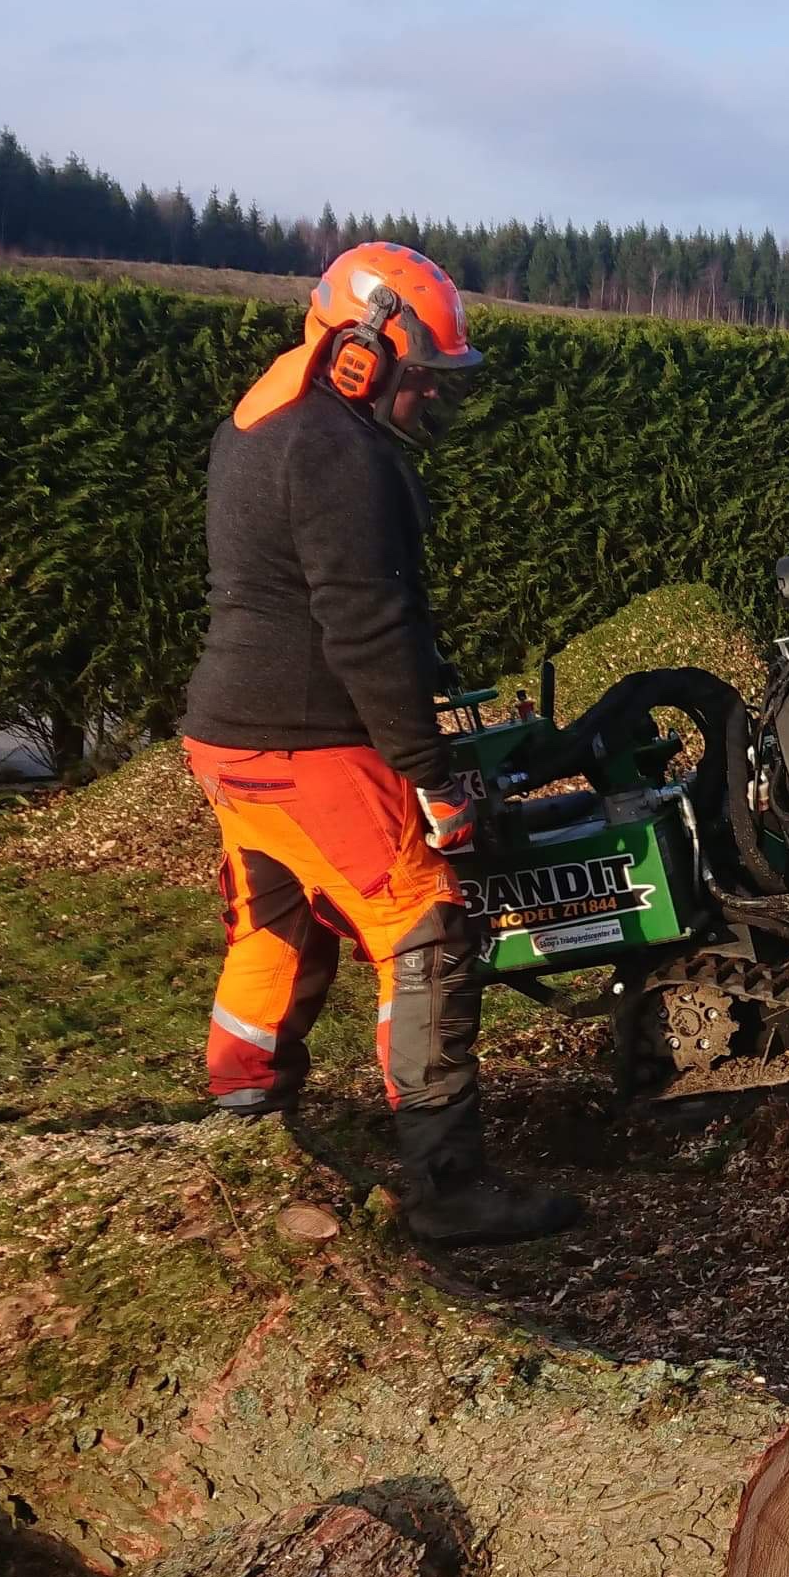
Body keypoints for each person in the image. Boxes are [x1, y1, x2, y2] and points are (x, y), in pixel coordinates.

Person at [176, 242, 580, 1244]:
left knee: (278, 923)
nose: (431, 398)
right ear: (364, 353)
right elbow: (368, 634)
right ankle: (448, 1186)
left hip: (226, 739)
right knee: (425, 927)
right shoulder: (340, 455)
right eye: (425, 377)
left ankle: (243, 1119)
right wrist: (431, 777)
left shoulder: (260, 416)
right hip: (307, 742)